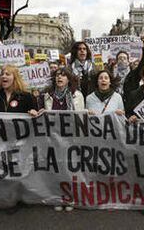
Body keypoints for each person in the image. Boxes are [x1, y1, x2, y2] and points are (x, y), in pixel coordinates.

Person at [42, 68, 84, 212]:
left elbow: (81, 118)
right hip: (53, 137)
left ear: (68, 79)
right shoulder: (47, 95)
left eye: (63, 75)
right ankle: (58, 197)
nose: (60, 77)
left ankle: (70, 197)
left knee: (70, 168)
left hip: (70, 137)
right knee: (56, 167)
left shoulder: (77, 95)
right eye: (58, 75)